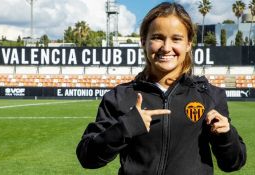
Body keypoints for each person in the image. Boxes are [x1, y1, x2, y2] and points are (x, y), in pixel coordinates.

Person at [76, 2, 246, 175]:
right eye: (157, 37)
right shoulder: (119, 97)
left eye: (176, 39)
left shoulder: (209, 95)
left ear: (188, 44)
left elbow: (233, 163)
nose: (166, 47)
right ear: (143, 41)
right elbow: (87, 157)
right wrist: (125, 127)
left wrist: (225, 135)